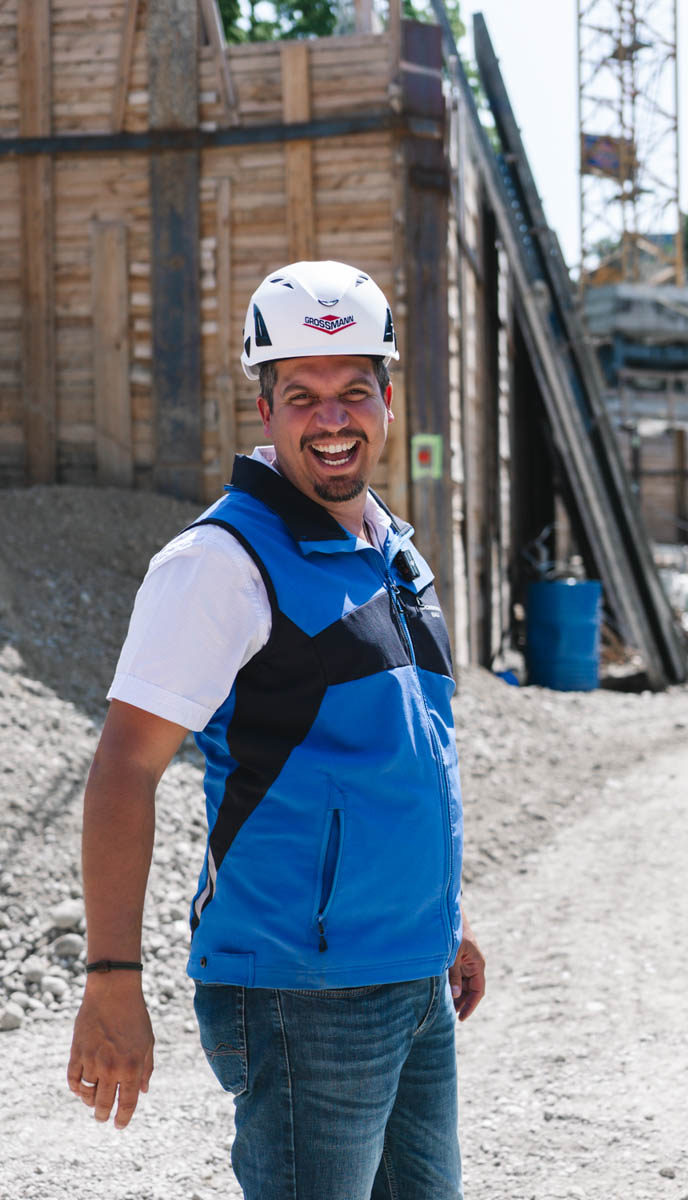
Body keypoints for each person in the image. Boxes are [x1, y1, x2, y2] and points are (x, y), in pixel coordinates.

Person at [67, 260, 485, 1199]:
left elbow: (405, 762)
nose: (331, 419)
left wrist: (441, 925)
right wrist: (110, 979)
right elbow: (126, 768)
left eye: (352, 392)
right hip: (301, 993)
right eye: (302, 394)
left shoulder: (392, 550)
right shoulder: (220, 563)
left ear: (386, 399)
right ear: (265, 408)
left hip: (411, 976)